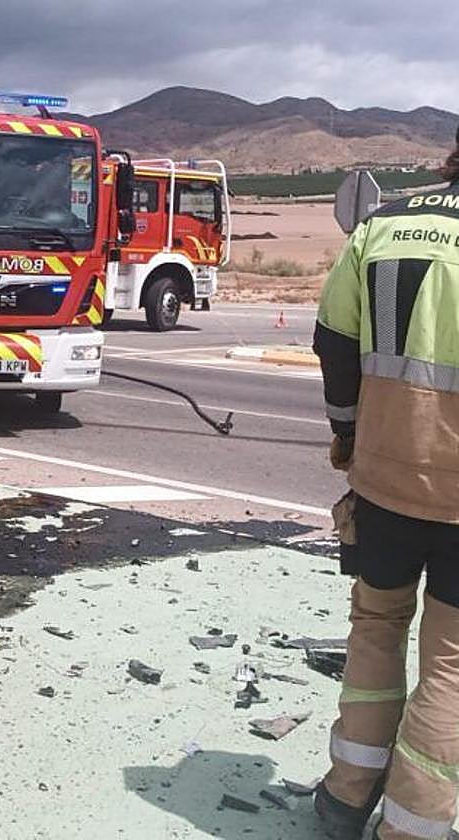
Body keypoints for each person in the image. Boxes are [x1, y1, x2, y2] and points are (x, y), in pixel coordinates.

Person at [313, 129, 459, 840]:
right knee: (452, 664)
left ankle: (346, 796)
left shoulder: (385, 224)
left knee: (376, 626)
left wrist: (347, 432)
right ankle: (412, 824)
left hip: (384, 481)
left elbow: (335, 341)